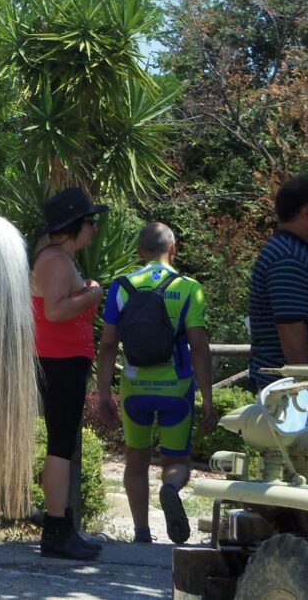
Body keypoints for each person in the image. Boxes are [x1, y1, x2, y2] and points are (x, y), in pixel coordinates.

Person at [96, 223, 217, 545]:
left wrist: (104, 393)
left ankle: (141, 533)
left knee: (135, 458)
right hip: (176, 388)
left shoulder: (122, 287)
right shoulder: (190, 288)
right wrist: (207, 398)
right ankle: (169, 488)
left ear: (139, 252)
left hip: (135, 389)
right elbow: (199, 347)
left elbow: (108, 345)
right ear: (173, 248)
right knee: (176, 461)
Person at [31, 186, 106, 560]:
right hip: (58, 361)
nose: (94, 229)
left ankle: (62, 526)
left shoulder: (57, 259)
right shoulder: (56, 262)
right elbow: (55, 311)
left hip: (62, 360)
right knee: (61, 446)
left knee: (63, 444)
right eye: (90, 222)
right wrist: (92, 293)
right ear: (74, 225)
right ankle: (57, 530)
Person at [248, 176, 308, 404]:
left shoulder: (299, 251)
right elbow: (289, 325)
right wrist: (306, 388)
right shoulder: (288, 257)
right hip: (300, 394)